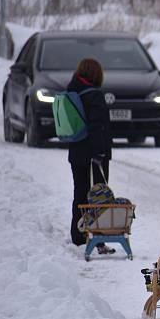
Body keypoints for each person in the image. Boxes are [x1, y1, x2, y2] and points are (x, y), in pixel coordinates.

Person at [68, 58, 114, 255]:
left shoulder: (72, 90)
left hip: (76, 151)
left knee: (80, 192)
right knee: (99, 195)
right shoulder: (94, 95)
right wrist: (100, 152)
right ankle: (98, 237)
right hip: (95, 154)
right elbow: (97, 126)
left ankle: (78, 235)